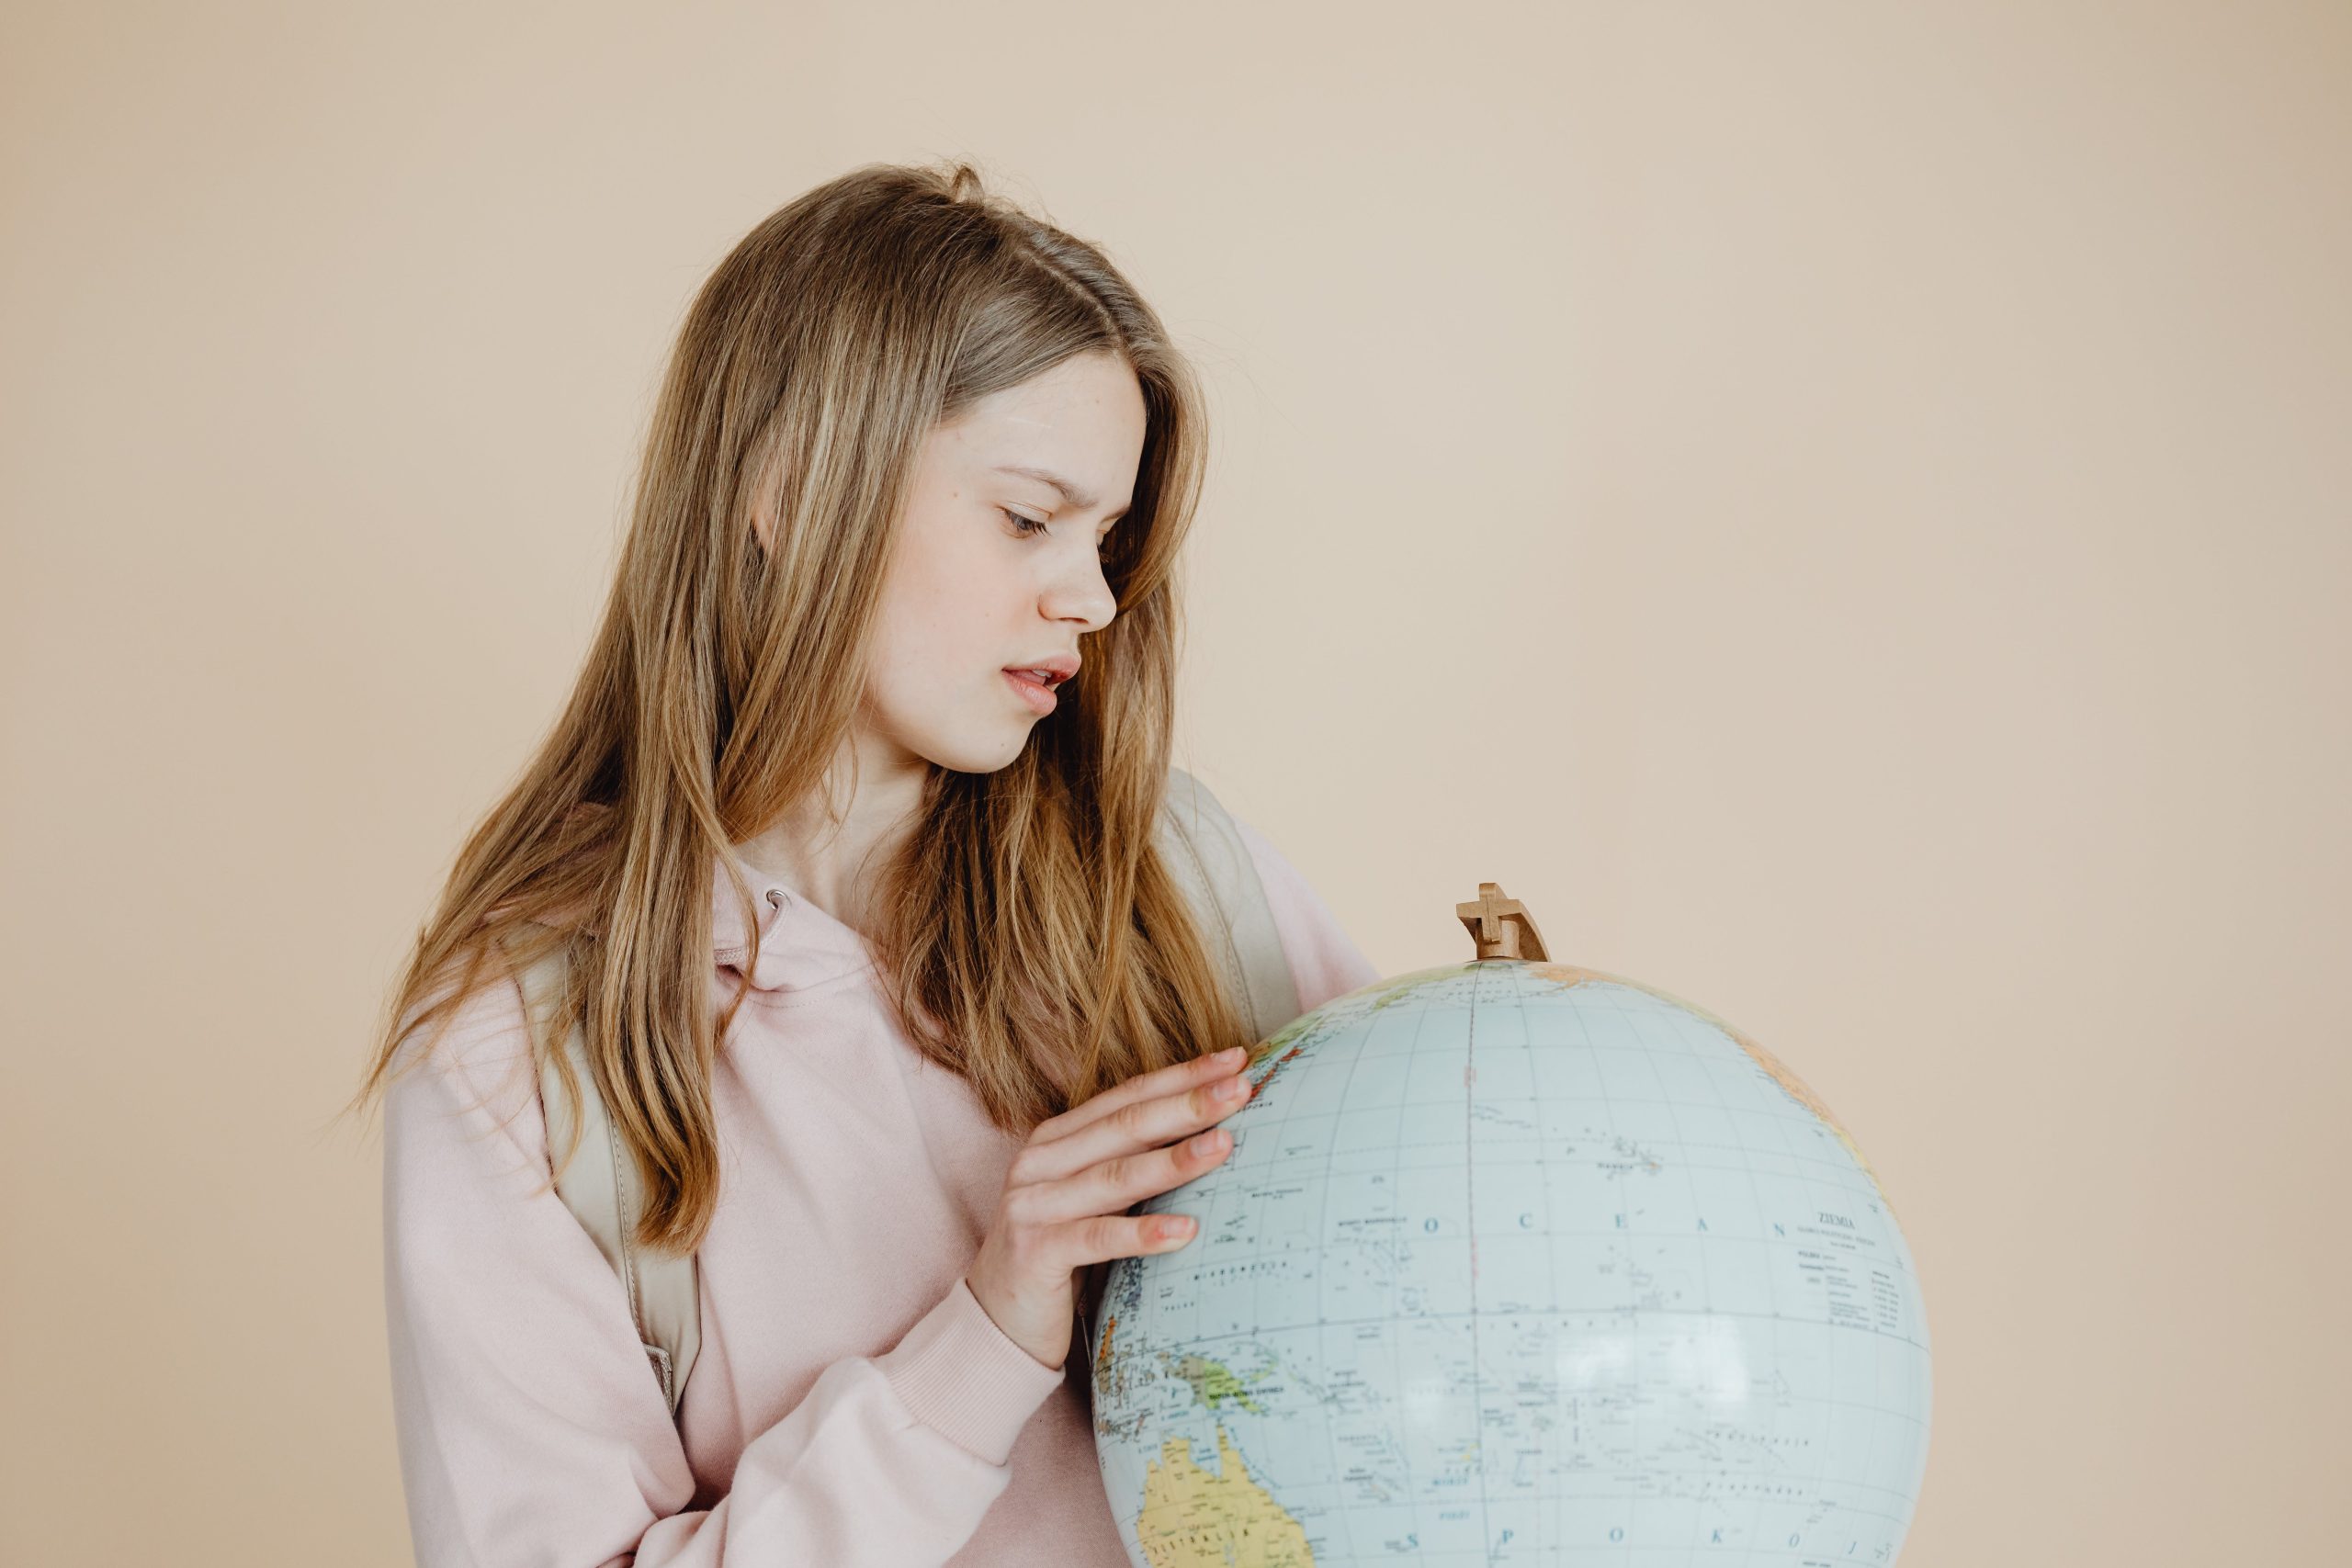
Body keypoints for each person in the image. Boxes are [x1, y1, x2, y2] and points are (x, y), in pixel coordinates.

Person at [344, 159, 1379, 1566]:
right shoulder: (518, 1042)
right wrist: (989, 1333)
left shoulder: (1190, 886)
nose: (1090, 597)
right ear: (788, 488)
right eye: (1028, 517)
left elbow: (1418, 1324)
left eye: (1108, 537)